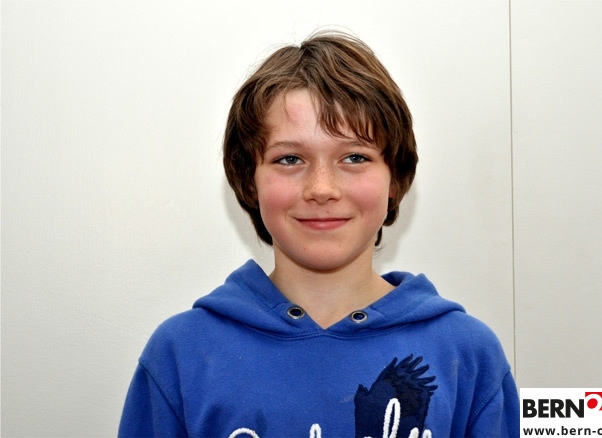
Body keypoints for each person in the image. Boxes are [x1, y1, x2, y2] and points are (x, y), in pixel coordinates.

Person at [119, 31, 520, 438]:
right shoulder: (181, 354)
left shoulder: (468, 355)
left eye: (355, 157)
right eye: (290, 159)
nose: (322, 188)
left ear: (396, 177)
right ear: (249, 179)